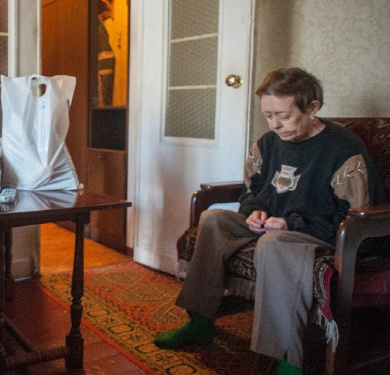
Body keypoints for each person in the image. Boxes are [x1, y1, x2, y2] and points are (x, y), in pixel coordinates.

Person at [153, 68, 387, 375]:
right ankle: (200, 321)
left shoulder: (344, 150)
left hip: (323, 233)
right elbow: (253, 189)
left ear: (313, 108)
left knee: (274, 242)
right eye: (268, 115)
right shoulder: (269, 143)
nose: (275, 125)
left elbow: (357, 219)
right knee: (213, 219)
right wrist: (254, 210)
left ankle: (288, 361)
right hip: (277, 224)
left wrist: (291, 225)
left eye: (284, 116)